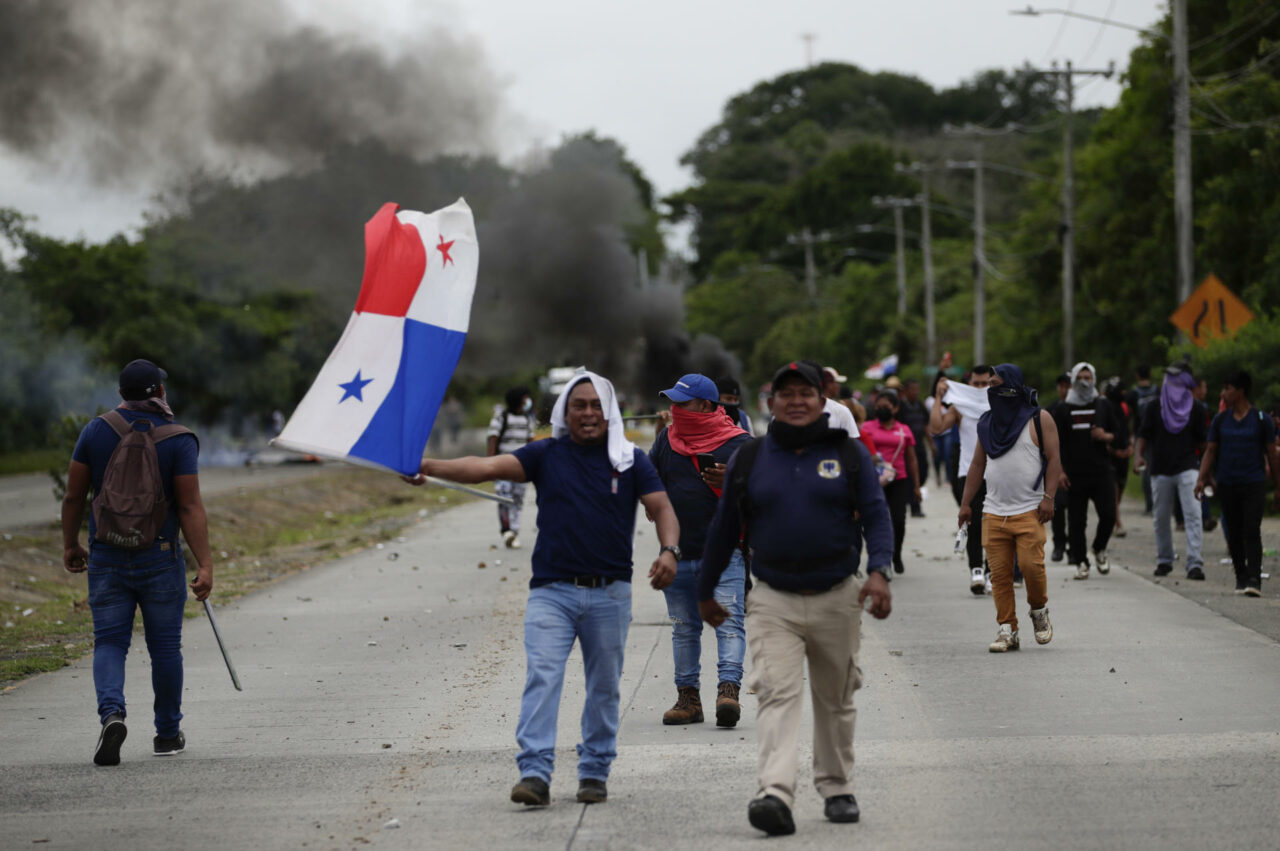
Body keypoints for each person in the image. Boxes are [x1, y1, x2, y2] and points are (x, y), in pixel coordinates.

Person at [405, 371, 680, 806]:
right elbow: (485, 467)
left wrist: (669, 551)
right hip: (551, 592)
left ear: (608, 412)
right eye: (578, 405)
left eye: (595, 406)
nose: (588, 413)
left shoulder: (628, 459)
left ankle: (594, 771)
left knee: (604, 687)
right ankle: (534, 773)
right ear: (564, 412)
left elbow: (661, 506)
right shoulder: (545, 454)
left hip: (610, 594)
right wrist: (426, 466)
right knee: (543, 677)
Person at [697, 360, 893, 837]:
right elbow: (725, 527)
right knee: (777, 695)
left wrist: (880, 571)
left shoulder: (847, 454)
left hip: (837, 596)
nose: (796, 400)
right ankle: (774, 794)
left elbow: (876, 514)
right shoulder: (751, 458)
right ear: (772, 403)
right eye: (786, 394)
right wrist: (704, 589)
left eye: (805, 392)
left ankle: (836, 787)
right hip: (773, 599)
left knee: (836, 697)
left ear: (822, 399)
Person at [60, 359, 214, 766]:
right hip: (160, 556)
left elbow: (74, 496)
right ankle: (166, 735)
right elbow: (189, 505)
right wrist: (206, 564)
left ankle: (112, 713)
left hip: (106, 554)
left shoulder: (97, 431)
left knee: (110, 642)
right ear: (159, 392)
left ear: (122, 394)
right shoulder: (179, 439)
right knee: (165, 648)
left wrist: (70, 545)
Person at [649, 373, 751, 727]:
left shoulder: (740, 444)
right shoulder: (666, 441)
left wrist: (734, 485)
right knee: (683, 628)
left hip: (726, 556)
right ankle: (688, 699)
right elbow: (651, 489)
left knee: (729, 624)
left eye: (683, 403)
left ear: (707, 405)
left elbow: (765, 499)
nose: (675, 410)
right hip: (678, 554)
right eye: (672, 402)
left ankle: (728, 692)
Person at [959, 364, 1062, 652]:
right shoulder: (987, 423)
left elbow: (1054, 460)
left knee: (1031, 567)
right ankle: (1007, 629)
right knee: (1000, 575)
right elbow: (977, 465)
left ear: (1014, 385)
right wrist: (966, 504)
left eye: (997, 383)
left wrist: (1049, 498)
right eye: (989, 384)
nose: (992, 389)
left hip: (1030, 509)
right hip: (993, 511)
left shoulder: (1040, 419)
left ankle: (1039, 610)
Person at [1196, 370, 1280, 596]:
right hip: (1228, 482)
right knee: (1233, 532)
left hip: (1253, 482)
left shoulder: (1261, 420)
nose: (1223, 393)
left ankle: (1254, 579)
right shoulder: (1220, 420)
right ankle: (1241, 576)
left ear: (1241, 391)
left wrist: (1279, 485)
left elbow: (1272, 454)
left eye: (1228, 389)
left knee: (1251, 529)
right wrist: (1201, 478)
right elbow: (1210, 451)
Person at [1135, 361, 1207, 580]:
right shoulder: (1155, 407)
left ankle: (1195, 564)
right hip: (1160, 469)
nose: (1171, 384)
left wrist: (1206, 471)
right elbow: (1143, 435)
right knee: (1161, 517)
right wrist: (1138, 456)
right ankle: (1165, 560)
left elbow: (1204, 443)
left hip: (1188, 467)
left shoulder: (1196, 408)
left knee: (1194, 514)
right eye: (1169, 379)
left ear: (1186, 383)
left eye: (1177, 380)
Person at [932, 366, 997, 594]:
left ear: (992, 383)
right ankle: (976, 569)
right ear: (969, 384)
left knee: (995, 524)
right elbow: (936, 427)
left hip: (997, 473)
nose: (980, 389)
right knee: (973, 522)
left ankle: (992, 571)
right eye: (976, 384)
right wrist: (939, 396)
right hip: (968, 473)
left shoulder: (999, 405)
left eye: (984, 384)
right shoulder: (960, 407)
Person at [1054, 362, 1121, 580]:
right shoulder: (1064, 409)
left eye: (1088, 377)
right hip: (1074, 475)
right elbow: (1056, 444)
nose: (1085, 382)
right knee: (1076, 522)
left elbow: (1119, 434)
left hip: (1101, 471)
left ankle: (1099, 548)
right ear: (1073, 380)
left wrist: (1107, 437)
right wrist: (1060, 471)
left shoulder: (1103, 405)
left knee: (1109, 515)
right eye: (1080, 377)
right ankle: (1081, 562)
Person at [860, 389, 920, 575]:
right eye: (878, 407)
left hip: (898, 479)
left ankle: (896, 554)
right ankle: (878, 555)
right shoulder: (867, 428)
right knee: (873, 519)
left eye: (885, 407)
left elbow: (912, 459)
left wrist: (916, 485)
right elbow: (861, 451)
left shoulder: (904, 430)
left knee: (898, 520)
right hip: (873, 480)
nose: (881, 410)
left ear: (895, 409)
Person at [486, 386, 536, 548]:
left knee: (518, 500)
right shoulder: (501, 417)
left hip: (521, 468)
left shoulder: (528, 419)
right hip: (502, 466)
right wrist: (490, 463)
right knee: (504, 498)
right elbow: (493, 438)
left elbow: (530, 442)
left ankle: (514, 532)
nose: (528, 401)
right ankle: (506, 530)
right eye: (525, 398)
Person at [1103, 378, 1134, 539]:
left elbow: (1126, 428)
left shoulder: (1123, 408)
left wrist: (1130, 445)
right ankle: (1117, 523)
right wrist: (1113, 451)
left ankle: (1114, 515)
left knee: (1120, 488)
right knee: (1113, 489)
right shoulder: (1104, 407)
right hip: (1110, 455)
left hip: (1124, 453)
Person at [1046, 373, 1073, 560]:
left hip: (1077, 465)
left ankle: (1075, 546)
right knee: (1057, 506)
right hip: (1057, 465)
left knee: (1076, 509)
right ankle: (1059, 544)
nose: (1064, 390)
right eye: (1061, 386)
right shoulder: (1052, 410)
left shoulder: (1080, 408)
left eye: (1068, 386)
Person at [1127, 366, 1159, 514]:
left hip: (1142, 433)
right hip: (1158, 434)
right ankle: (1161, 504)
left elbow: (1130, 415)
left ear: (1137, 375)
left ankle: (1149, 505)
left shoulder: (1133, 394)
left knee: (1145, 468)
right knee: (1158, 468)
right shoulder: (1157, 390)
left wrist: (1131, 435)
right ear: (1150, 374)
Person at [899, 378, 931, 518]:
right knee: (912, 476)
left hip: (920, 445)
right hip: (906, 448)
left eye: (917, 389)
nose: (915, 392)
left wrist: (932, 444)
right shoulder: (901, 407)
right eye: (912, 390)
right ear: (905, 391)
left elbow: (926, 425)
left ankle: (912, 497)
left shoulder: (920, 405)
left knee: (923, 472)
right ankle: (914, 506)